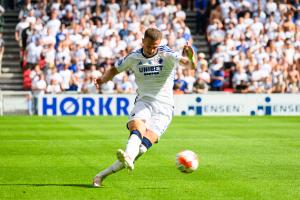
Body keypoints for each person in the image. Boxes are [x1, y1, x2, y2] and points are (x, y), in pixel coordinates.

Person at [92, 28, 196, 187]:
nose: (152, 50)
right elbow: (114, 69)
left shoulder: (166, 54)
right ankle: (128, 156)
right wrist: (102, 80)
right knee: (137, 127)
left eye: (155, 46)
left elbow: (190, 66)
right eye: (149, 46)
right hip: (144, 102)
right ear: (142, 41)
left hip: (164, 108)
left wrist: (191, 55)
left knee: (141, 149)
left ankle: (101, 175)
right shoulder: (133, 57)